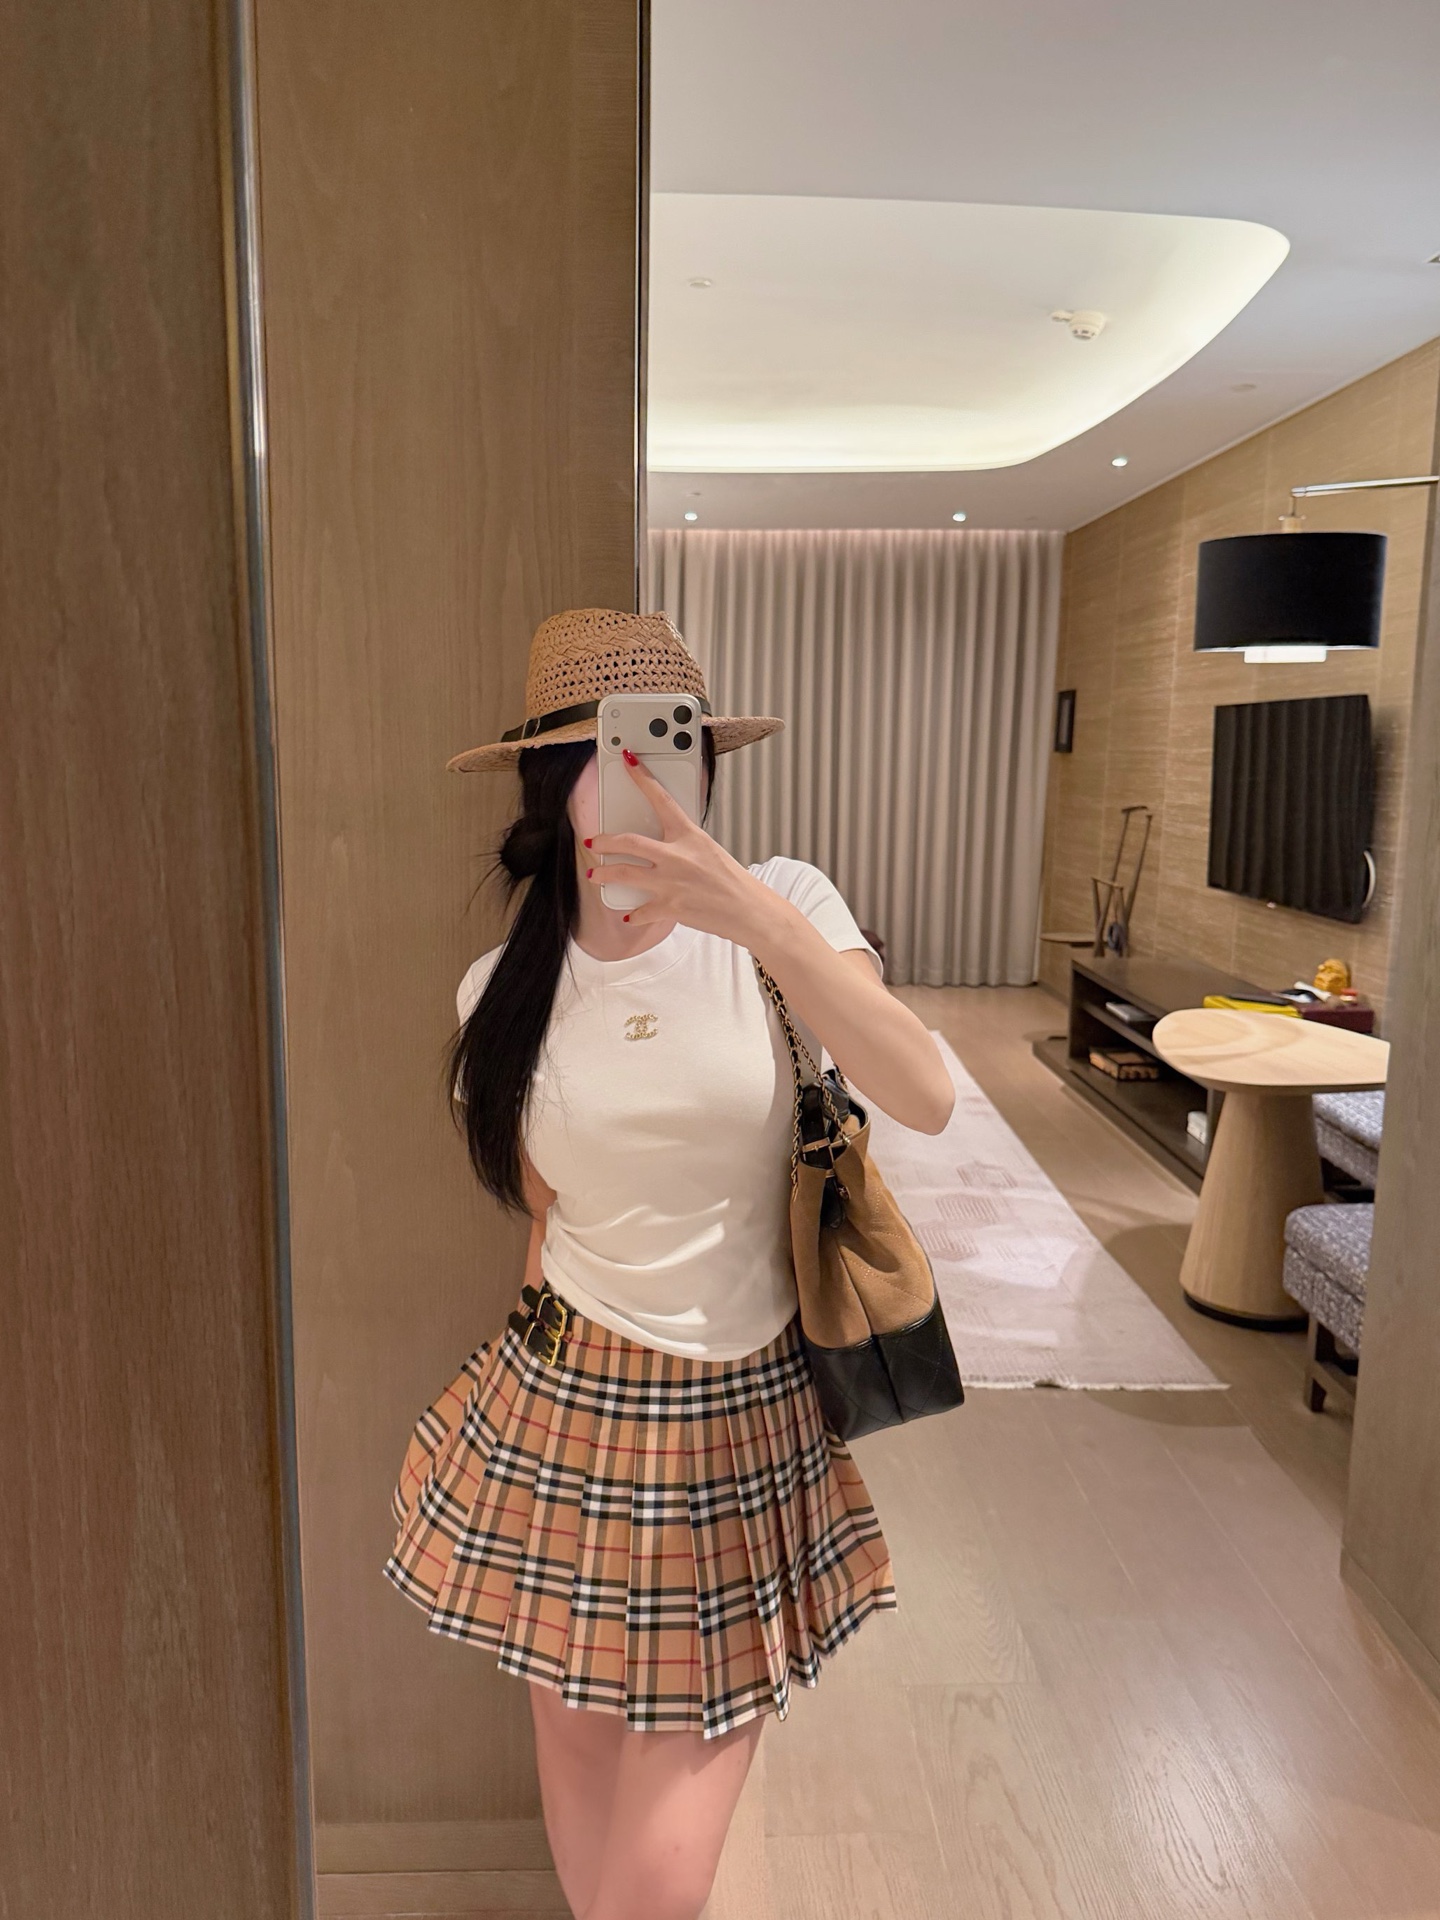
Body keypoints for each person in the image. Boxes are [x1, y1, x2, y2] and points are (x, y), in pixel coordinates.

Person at [384, 608, 954, 1920]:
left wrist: (753, 916)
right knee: (580, 1774)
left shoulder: (787, 906)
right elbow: (543, 1214)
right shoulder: (500, 989)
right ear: (551, 783)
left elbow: (924, 1093)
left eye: (661, 746)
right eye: (598, 754)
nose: (633, 777)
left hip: (738, 1418)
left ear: (703, 764)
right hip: (562, 1413)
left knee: (656, 1886)